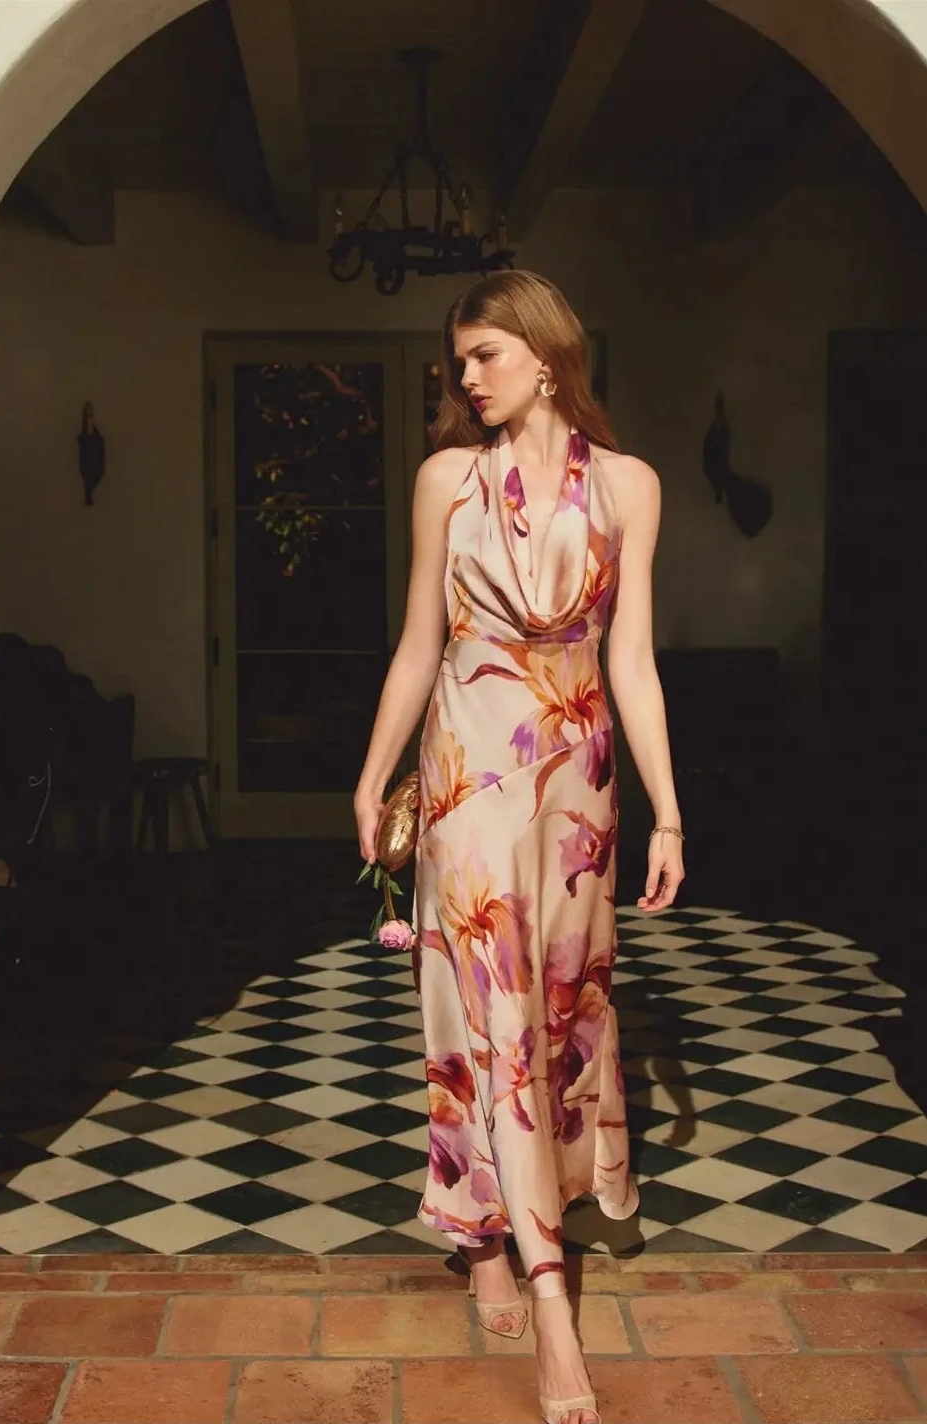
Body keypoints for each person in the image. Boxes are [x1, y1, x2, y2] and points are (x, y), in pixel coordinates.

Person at [355, 270, 684, 1425]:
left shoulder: (630, 487)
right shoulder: (446, 481)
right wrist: (371, 774)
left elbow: (631, 661)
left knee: (551, 1015)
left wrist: (668, 810)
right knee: (483, 1014)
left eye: (483, 354)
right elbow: (418, 643)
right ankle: (547, 1303)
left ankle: (485, 1233)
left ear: (546, 355)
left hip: (578, 795)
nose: (465, 377)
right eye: (458, 360)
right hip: (467, 782)